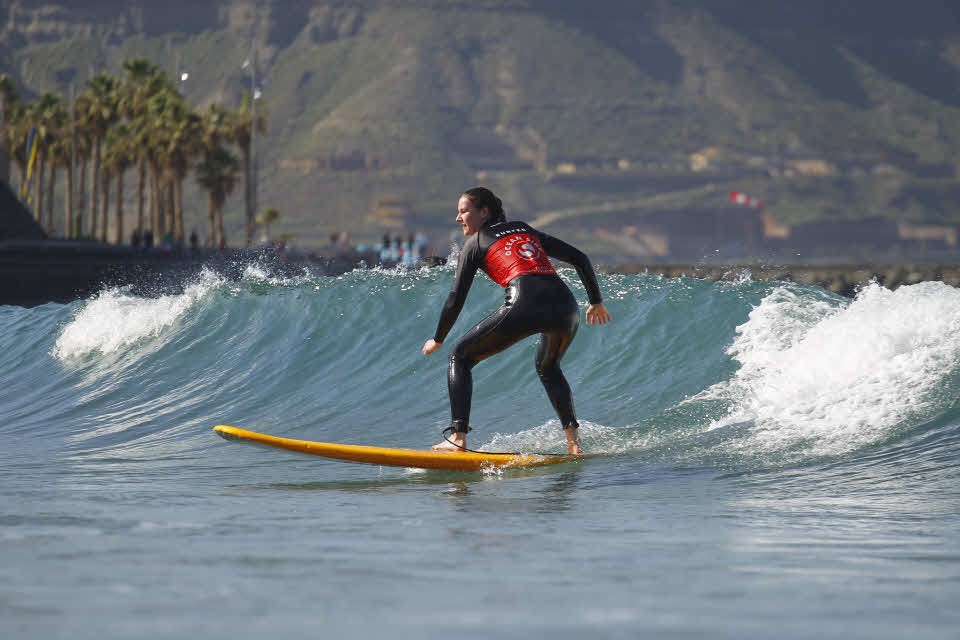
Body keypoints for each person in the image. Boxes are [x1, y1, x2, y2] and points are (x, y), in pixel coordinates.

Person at [422, 187, 611, 454]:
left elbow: (455, 298)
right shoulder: (523, 228)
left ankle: (458, 438)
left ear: (484, 212)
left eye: (464, 211)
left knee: (460, 357)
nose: (458, 217)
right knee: (549, 367)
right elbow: (579, 258)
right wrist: (595, 301)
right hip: (566, 306)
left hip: (526, 301)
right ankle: (574, 444)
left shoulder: (475, 244)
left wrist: (438, 338)